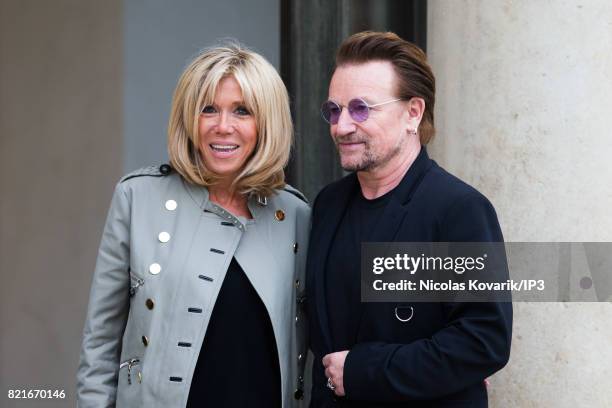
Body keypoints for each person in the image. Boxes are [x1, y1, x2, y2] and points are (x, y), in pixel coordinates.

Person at [77, 43, 310, 407]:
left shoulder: (295, 215)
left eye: (242, 111)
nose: (223, 127)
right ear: (189, 117)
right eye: (209, 109)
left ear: (268, 122)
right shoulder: (137, 197)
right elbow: (100, 344)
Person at [306, 31, 512, 407]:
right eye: (334, 110)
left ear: (412, 113)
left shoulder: (459, 209)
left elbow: (484, 341)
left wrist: (361, 370)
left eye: (361, 108)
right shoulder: (328, 205)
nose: (342, 126)